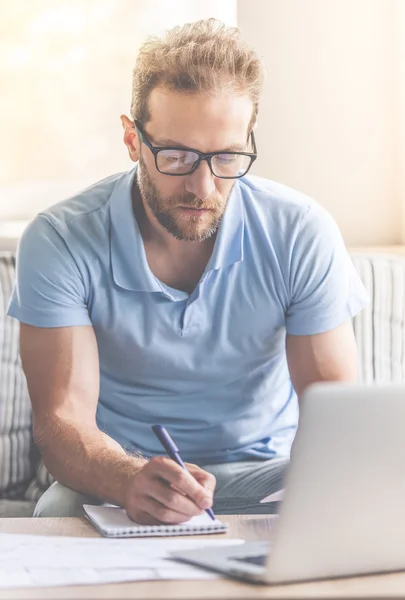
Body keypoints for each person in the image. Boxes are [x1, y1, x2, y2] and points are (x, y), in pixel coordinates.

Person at [8, 18, 368, 522]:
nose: (203, 186)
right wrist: (127, 476)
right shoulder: (61, 239)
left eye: (226, 157)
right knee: (59, 509)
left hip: (266, 474)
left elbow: (336, 415)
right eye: (176, 156)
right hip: (122, 474)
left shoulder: (301, 232)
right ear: (133, 141)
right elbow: (62, 422)